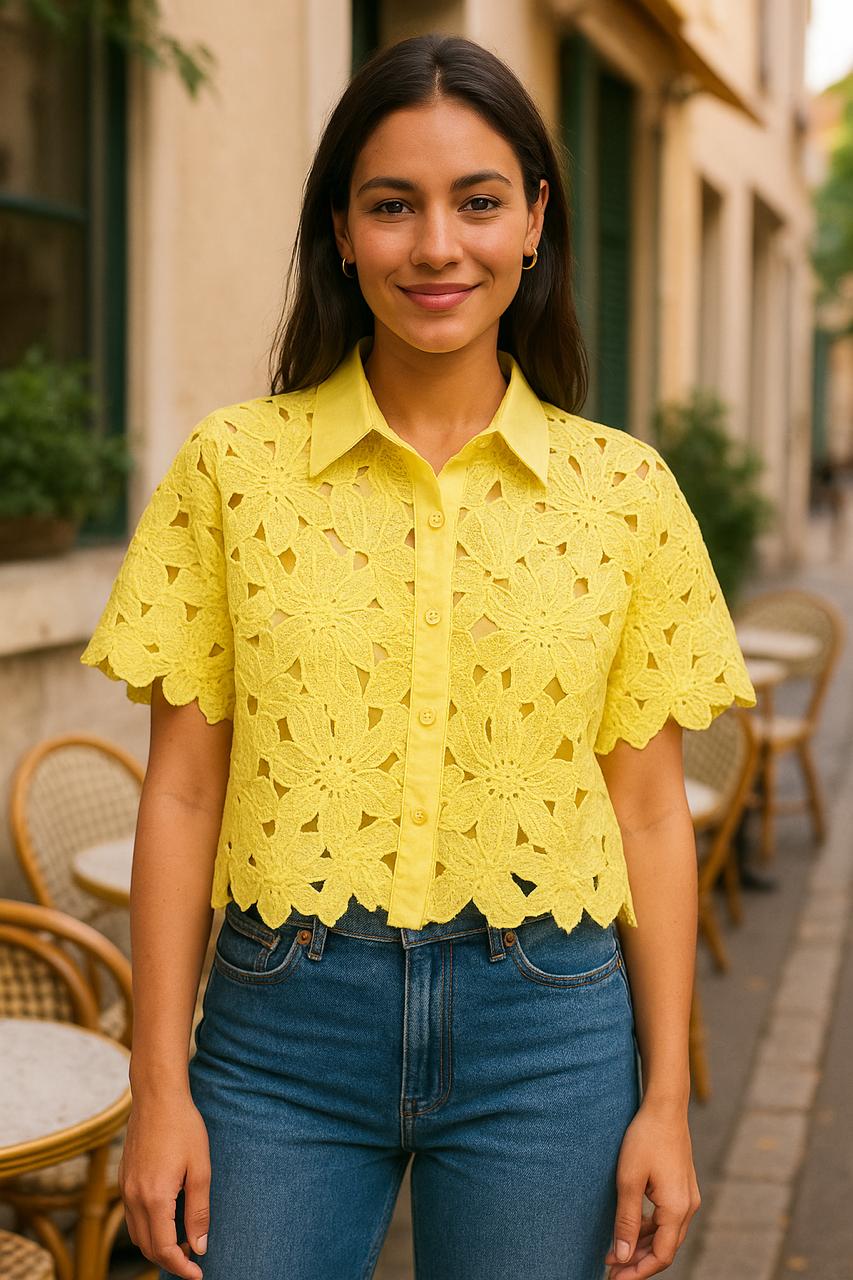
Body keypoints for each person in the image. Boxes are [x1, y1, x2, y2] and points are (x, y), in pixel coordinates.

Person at [80, 33, 756, 1280]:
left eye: (478, 201)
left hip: (547, 1033)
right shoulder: (233, 471)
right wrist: (158, 1079)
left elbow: (651, 813)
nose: (436, 246)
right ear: (342, 229)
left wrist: (664, 1098)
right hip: (280, 1029)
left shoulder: (625, 495)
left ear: (536, 221)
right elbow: (179, 790)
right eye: (392, 205)